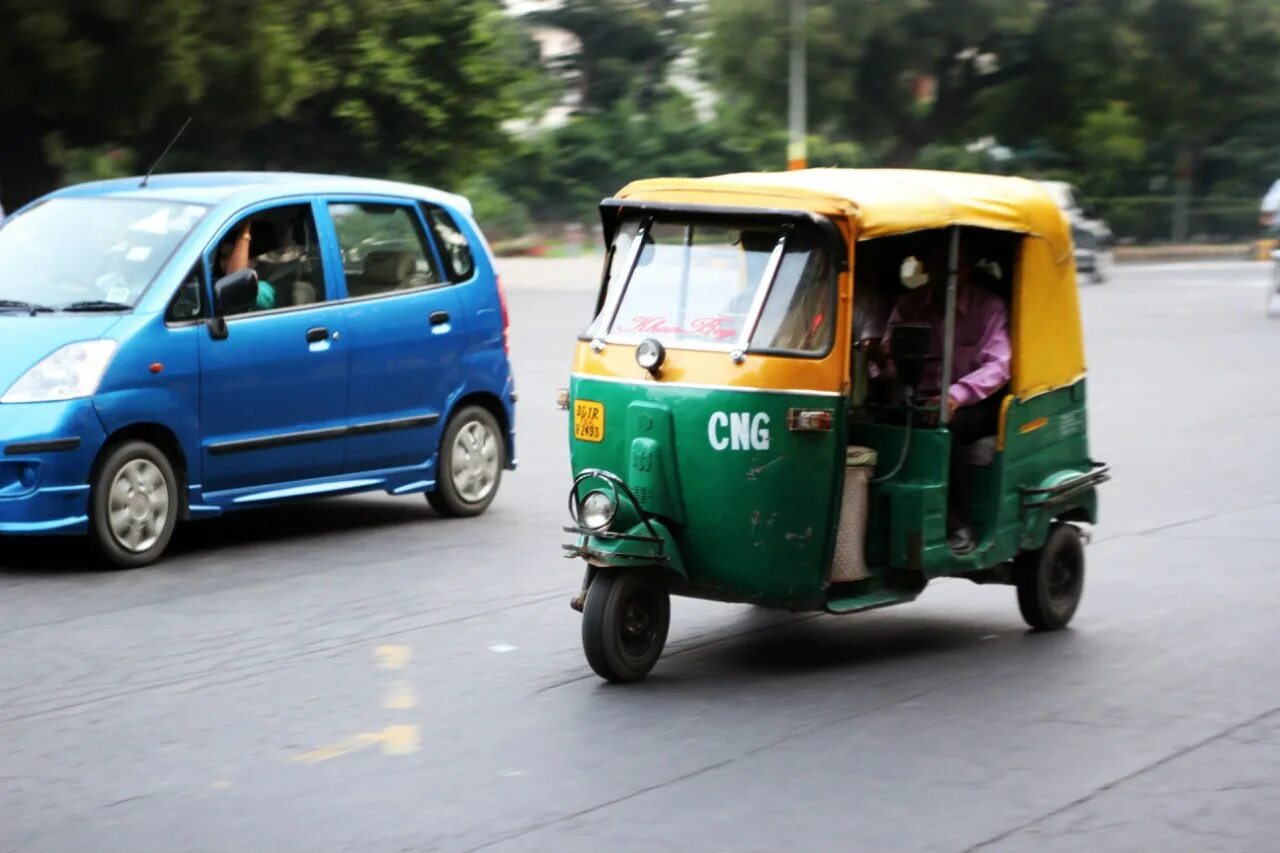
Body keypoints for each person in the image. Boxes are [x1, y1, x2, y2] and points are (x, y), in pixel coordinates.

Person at [870, 242, 1011, 555]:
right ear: (925, 266)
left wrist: (956, 395)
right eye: (937, 263)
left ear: (968, 267)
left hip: (975, 402)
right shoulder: (909, 305)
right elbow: (890, 358)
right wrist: (883, 362)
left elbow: (999, 365)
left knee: (946, 430)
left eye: (956, 265)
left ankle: (958, 523)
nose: (947, 273)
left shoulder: (988, 307)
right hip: (918, 398)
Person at [216, 219, 276, 311]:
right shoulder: (217, 282)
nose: (225, 263)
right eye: (223, 257)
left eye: (232, 258)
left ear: (254, 261)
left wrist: (245, 232)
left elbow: (235, 286)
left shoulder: (264, 290)